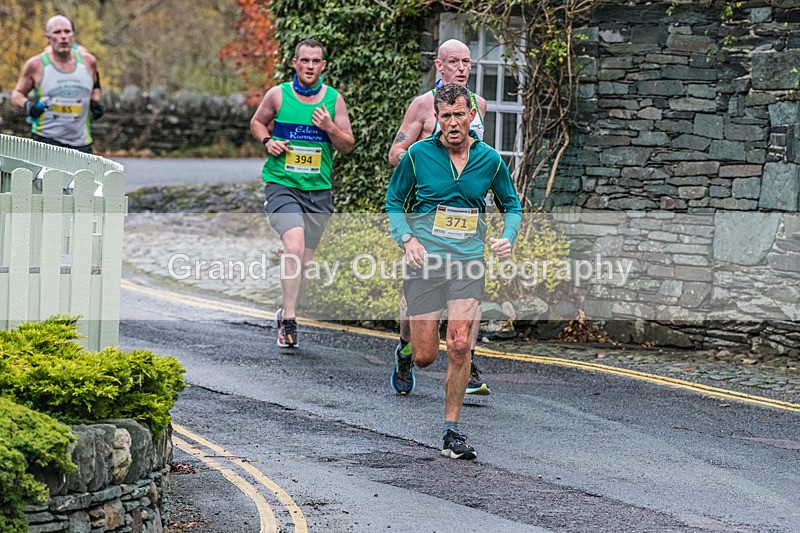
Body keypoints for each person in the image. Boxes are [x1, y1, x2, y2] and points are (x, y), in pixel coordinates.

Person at [385, 82, 522, 459]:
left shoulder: (490, 160)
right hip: (426, 264)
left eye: (459, 114)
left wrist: (507, 237)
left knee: (461, 344)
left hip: (468, 263)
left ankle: (452, 432)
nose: (453, 123)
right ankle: (404, 349)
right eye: (445, 116)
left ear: (472, 115)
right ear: (438, 119)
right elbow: (394, 202)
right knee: (426, 356)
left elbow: (512, 205)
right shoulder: (418, 156)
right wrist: (408, 239)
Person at [388, 39, 491, 397]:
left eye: (466, 61)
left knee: (467, 290)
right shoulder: (422, 106)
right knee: (414, 306)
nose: (462, 68)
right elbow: (395, 151)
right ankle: (404, 348)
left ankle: (466, 357)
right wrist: (424, 164)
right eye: (454, 62)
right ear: (439, 65)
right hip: (424, 221)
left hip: (466, 220)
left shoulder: (480, 105)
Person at [250, 38, 354, 348]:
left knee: (303, 266)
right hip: (282, 185)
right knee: (293, 248)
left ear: (323, 66)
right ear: (294, 63)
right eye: (304, 60)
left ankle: (286, 308)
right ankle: (290, 322)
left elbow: (347, 144)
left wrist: (329, 128)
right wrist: (268, 141)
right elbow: (257, 122)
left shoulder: (334, 101)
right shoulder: (278, 95)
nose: (309, 66)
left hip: (318, 192)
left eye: (315, 61)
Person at [11, 15, 104, 154]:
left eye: (67, 31)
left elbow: (96, 86)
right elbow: (16, 94)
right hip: (46, 141)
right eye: (57, 32)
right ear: (48, 37)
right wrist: (28, 105)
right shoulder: (35, 65)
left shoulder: (89, 61)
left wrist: (95, 102)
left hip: (82, 143)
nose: (63, 36)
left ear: (73, 35)